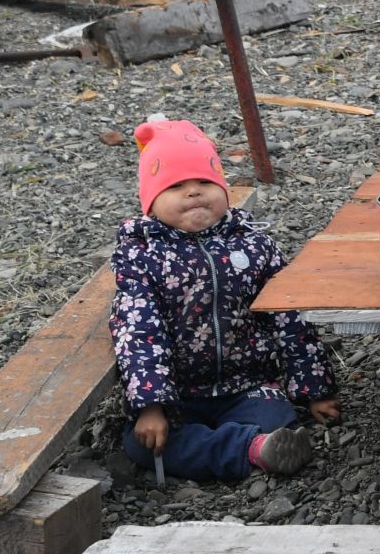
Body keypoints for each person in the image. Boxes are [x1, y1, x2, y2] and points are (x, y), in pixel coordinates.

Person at [110, 120, 338, 481]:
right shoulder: (143, 256)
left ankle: (254, 445)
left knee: (280, 418)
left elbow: (289, 318)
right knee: (143, 445)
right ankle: (250, 449)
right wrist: (150, 405)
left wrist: (313, 390)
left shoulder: (253, 244)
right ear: (150, 204)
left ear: (223, 187)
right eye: (175, 186)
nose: (193, 193)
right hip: (177, 395)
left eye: (204, 182)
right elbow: (139, 332)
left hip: (246, 385)